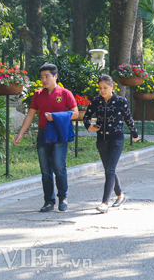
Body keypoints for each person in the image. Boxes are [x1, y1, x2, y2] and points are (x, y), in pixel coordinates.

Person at [14, 63, 79, 213]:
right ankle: (48, 201)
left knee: (59, 166)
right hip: (43, 134)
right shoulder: (38, 94)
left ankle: (63, 197)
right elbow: (31, 114)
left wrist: (55, 117)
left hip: (59, 134)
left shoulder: (65, 93)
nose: (44, 80)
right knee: (45, 170)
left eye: (47, 76)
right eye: (42, 77)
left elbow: (75, 113)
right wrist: (21, 132)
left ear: (55, 76)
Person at [83, 75, 138, 213]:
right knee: (110, 169)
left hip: (116, 140)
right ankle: (120, 196)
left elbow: (128, 119)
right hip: (101, 140)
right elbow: (86, 117)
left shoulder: (121, 101)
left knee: (109, 170)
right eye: (100, 88)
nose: (102, 90)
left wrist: (135, 134)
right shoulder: (96, 101)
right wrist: (88, 126)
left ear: (112, 86)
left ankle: (104, 203)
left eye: (105, 88)